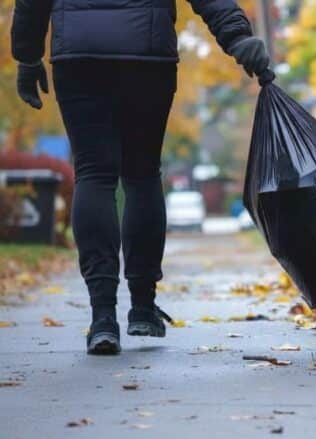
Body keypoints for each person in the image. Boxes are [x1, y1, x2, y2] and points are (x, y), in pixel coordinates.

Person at [11, 0, 270, 355]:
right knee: (142, 174)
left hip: (79, 54)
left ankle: (103, 316)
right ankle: (143, 308)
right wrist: (237, 37)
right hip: (146, 55)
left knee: (93, 174)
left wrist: (26, 55)